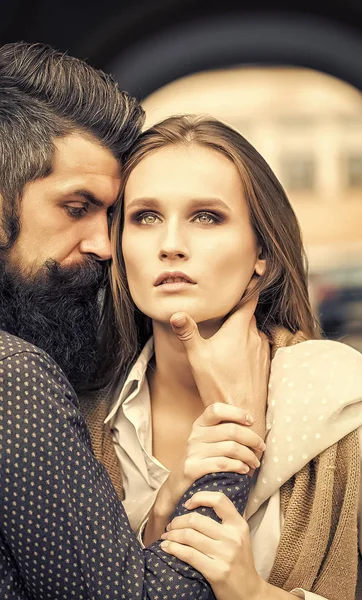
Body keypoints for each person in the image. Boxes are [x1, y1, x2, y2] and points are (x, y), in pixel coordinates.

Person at [84, 115, 362, 600]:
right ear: (119, 246)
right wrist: (163, 512)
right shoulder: (83, 419)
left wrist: (254, 593)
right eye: (145, 217)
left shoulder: (344, 409)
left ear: (263, 254)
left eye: (206, 217)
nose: (171, 246)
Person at [0, 43, 270, 599]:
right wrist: (233, 436)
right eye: (76, 207)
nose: (105, 244)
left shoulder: (337, 396)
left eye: (115, 216)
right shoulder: (14, 376)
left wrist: (168, 500)